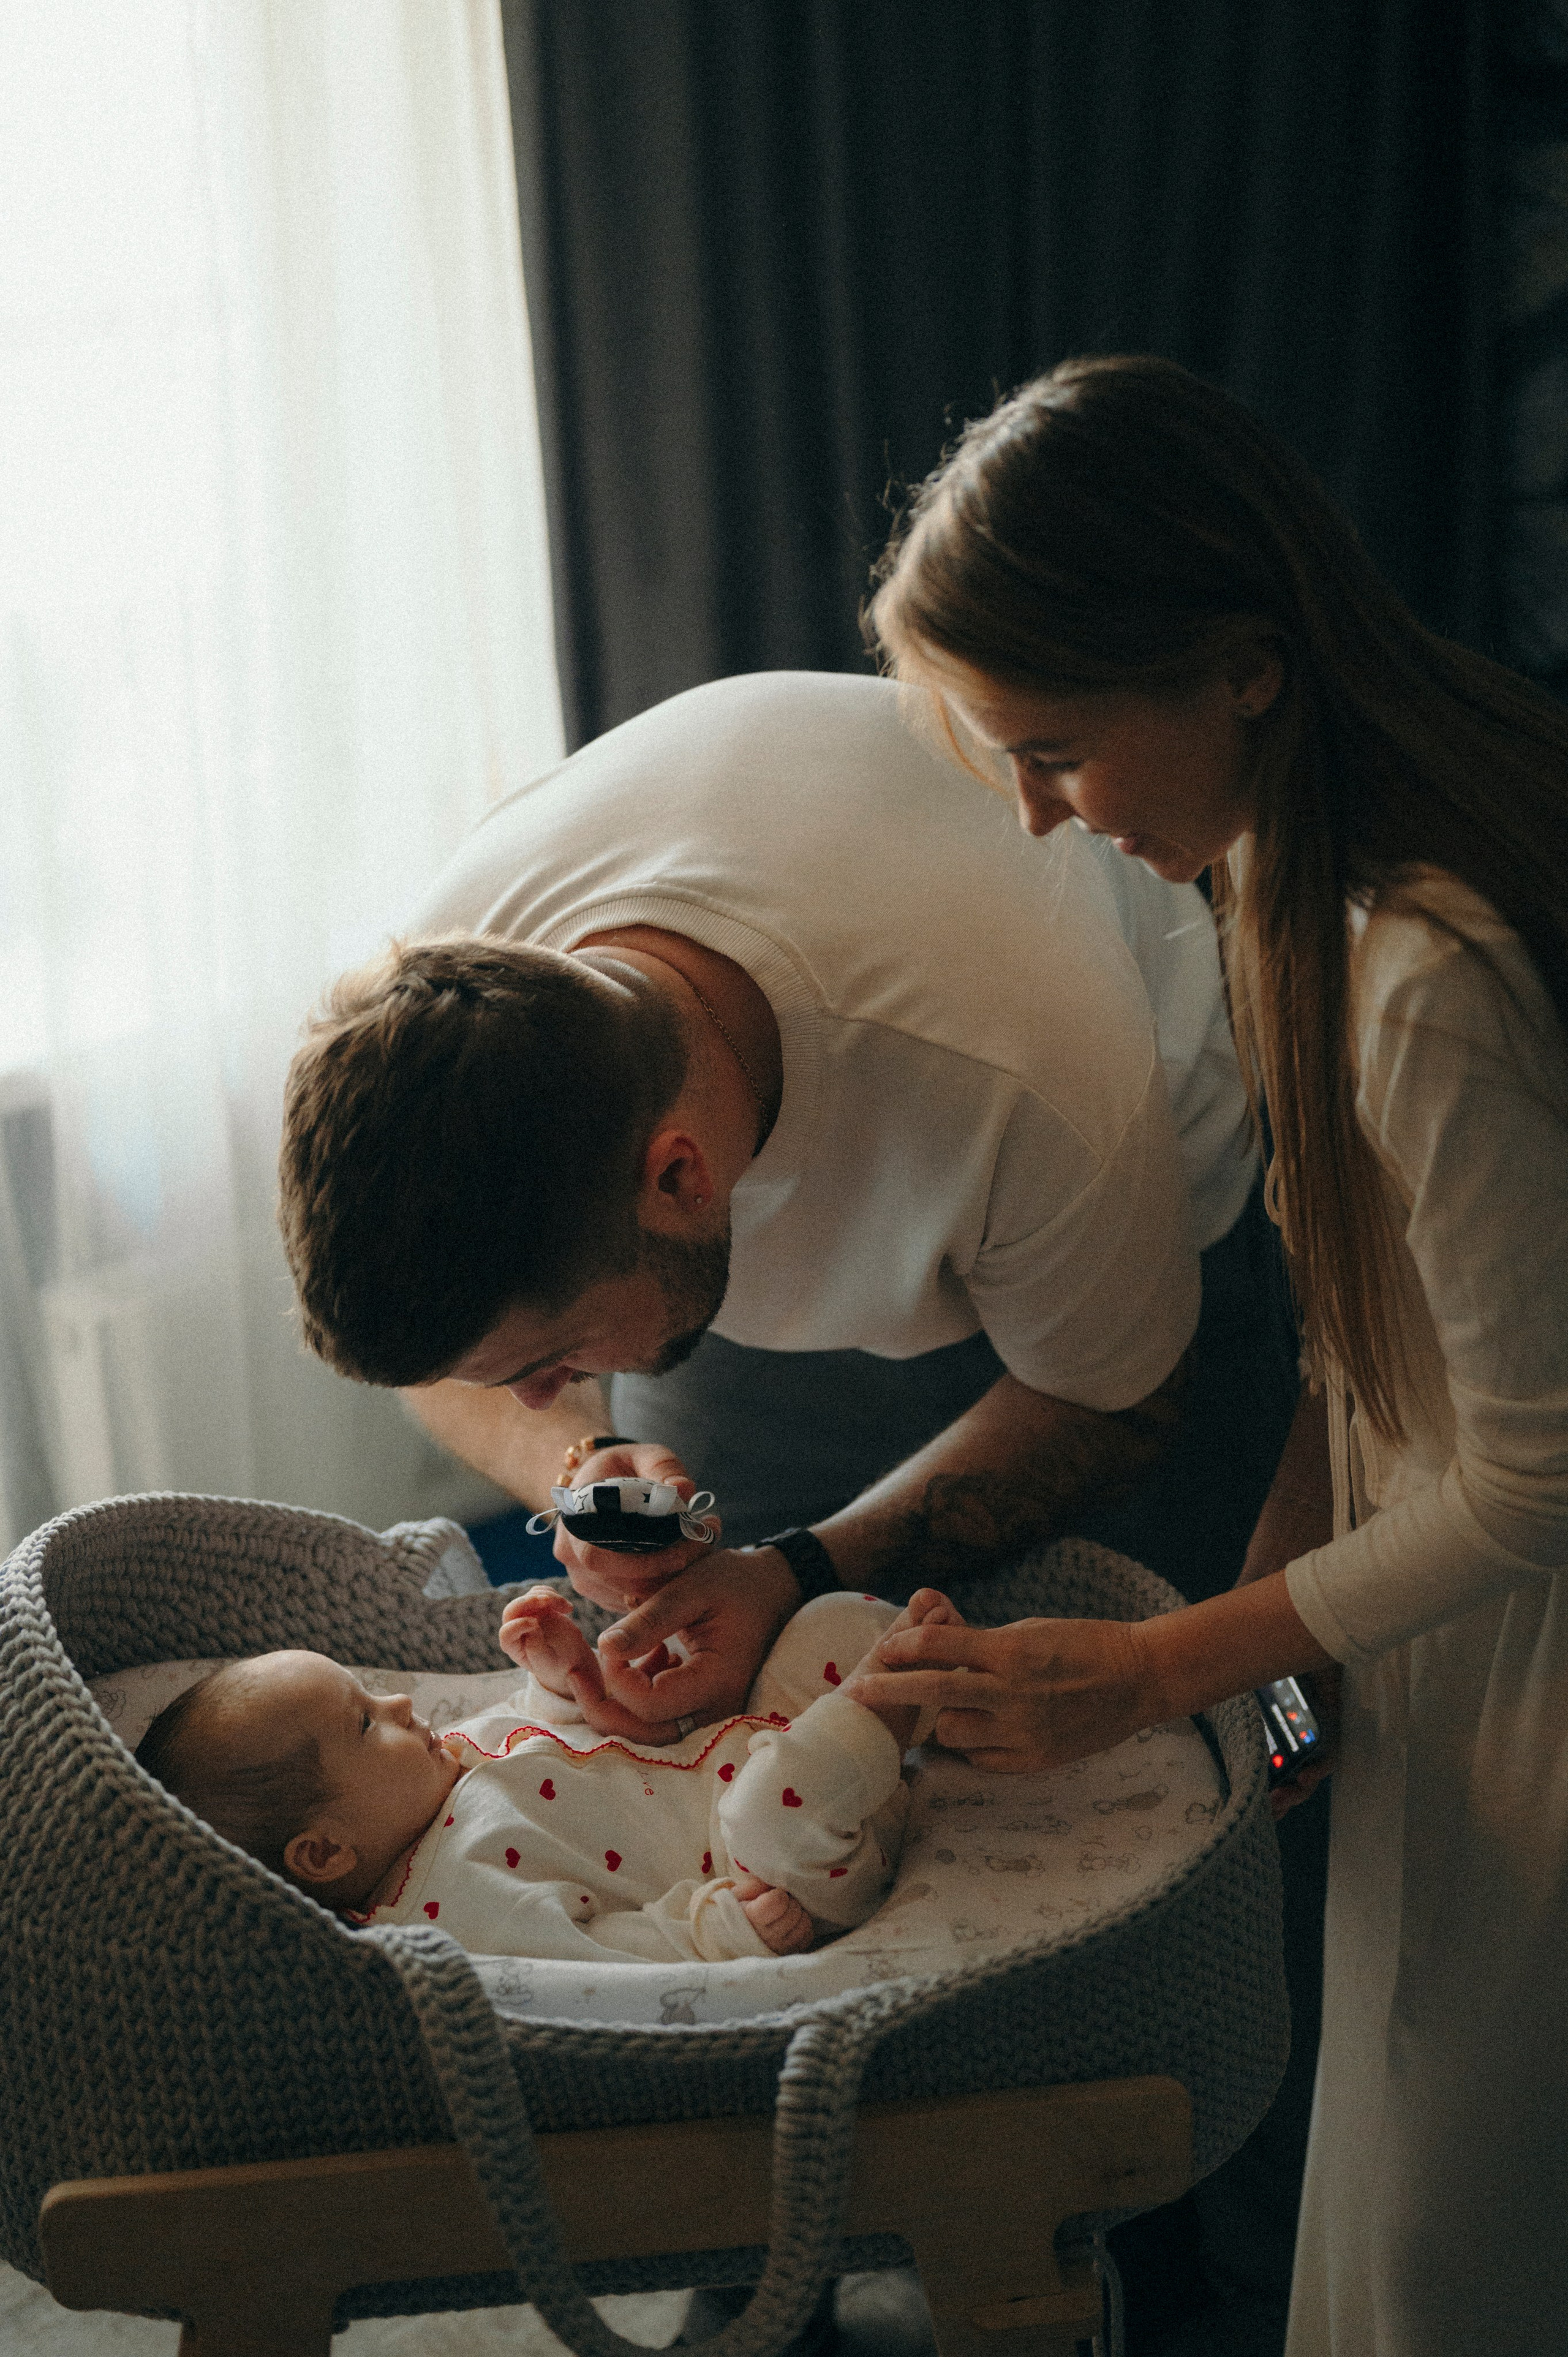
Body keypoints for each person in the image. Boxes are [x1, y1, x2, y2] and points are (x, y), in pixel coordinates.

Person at [849, 353, 1568, 2356]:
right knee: (1400, 2181)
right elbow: (1366, 1353)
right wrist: (1267, 1653)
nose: (1039, 812)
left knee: (1456, 2245)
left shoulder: (1418, 961)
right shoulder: (1275, 891)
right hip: (1436, 1632)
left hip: (1534, 1657)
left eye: (1056, 745)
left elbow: (1535, 1469)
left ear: (1240, 667)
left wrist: (1170, 1662)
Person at [278, 669, 1297, 1742]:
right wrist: (579, 1473)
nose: (541, 1399)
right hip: (734, 1250)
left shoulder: (1024, 1065)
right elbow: (460, 1361)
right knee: (733, 1711)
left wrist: (802, 1569)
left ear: (678, 1179)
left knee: (1176, 1742)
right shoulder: (445, 1000)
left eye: (553, 1361)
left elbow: (1111, 1403)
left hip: (1124, 1220)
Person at [133, 1586, 957, 1960]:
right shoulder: (454, 1910)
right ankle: (908, 1689)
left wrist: (563, 1683)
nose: (399, 1704)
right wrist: (723, 1930)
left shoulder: (443, 1765)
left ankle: (931, 1701)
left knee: (826, 1623)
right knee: (768, 1812)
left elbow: (555, 1741)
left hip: (753, 1746)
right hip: (785, 1867)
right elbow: (604, 1957)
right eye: (363, 1721)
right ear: (324, 1852)